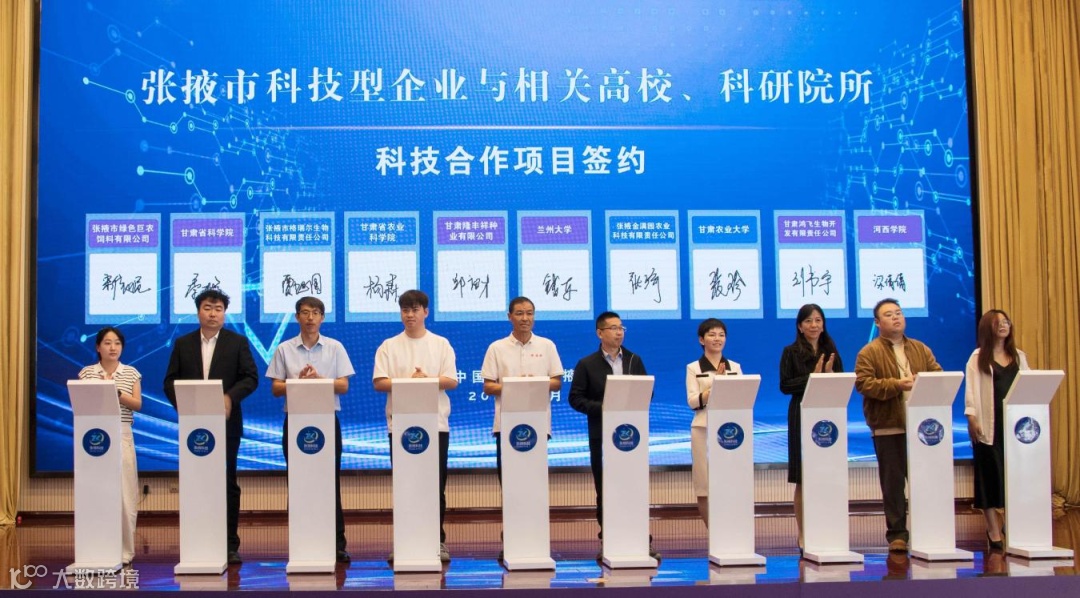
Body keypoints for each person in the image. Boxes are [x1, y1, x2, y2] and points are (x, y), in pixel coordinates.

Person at [164, 289, 259, 565]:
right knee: (196, 482)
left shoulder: (237, 342)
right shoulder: (183, 344)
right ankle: (196, 540)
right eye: (207, 308)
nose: (213, 313)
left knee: (226, 483)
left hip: (226, 425)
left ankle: (229, 545)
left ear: (224, 314)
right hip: (194, 428)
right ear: (198, 312)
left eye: (218, 309)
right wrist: (184, 405)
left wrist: (230, 397)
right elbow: (169, 382)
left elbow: (250, 378)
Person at [266, 296, 355, 563]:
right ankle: (300, 540)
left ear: (322, 318)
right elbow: (276, 388)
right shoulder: (284, 349)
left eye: (316, 313)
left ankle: (337, 543)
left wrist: (319, 380)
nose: (310, 318)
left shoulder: (335, 347)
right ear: (297, 317)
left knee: (330, 482)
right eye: (305, 312)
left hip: (327, 421)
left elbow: (343, 386)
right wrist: (298, 382)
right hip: (295, 422)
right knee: (298, 481)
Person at [372, 289, 458, 563]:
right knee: (405, 485)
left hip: (436, 425)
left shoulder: (441, 344)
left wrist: (426, 380)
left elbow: (451, 380)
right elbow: (379, 382)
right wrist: (409, 382)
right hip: (401, 428)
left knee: (435, 485)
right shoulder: (389, 346)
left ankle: (437, 541)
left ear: (426, 312)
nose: (410, 315)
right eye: (405, 310)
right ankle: (404, 541)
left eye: (415, 309)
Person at [854, 298, 941, 552]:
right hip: (888, 426)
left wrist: (925, 381)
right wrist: (897, 384)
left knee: (925, 480)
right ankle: (897, 535)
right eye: (889, 314)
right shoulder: (869, 352)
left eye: (899, 313)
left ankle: (929, 530)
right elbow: (864, 384)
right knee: (893, 485)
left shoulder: (920, 349)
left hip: (921, 429)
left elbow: (937, 375)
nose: (896, 318)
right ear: (877, 322)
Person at [569, 311, 658, 560]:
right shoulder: (587, 364)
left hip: (632, 438)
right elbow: (575, 398)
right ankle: (608, 539)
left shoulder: (634, 360)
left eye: (621, 328)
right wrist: (604, 407)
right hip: (602, 435)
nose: (619, 332)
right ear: (600, 333)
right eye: (613, 328)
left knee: (634, 486)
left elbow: (647, 392)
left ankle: (640, 539)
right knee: (606, 488)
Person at [778, 304, 842, 549]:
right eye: (808, 321)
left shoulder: (831, 350)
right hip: (801, 415)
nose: (814, 325)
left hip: (828, 417)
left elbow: (842, 382)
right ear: (799, 326)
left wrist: (830, 376)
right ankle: (804, 533)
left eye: (818, 320)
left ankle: (827, 530)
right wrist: (813, 377)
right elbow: (785, 386)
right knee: (803, 478)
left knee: (827, 476)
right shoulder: (790, 351)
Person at [964, 309, 1029, 550]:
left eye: (1006, 322)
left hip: (1016, 429)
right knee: (988, 480)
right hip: (987, 427)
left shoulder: (1019, 356)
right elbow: (971, 391)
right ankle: (993, 530)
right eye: (997, 322)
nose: (1003, 325)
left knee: (1015, 479)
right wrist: (971, 417)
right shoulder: (977, 357)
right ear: (987, 328)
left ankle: (1013, 525)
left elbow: (1030, 387)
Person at [79, 326, 142, 566]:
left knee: (126, 495)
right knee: (95, 492)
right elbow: (82, 403)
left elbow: (137, 404)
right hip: (93, 436)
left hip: (121, 433)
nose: (112, 347)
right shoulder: (87, 373)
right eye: (107, 343)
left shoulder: (131, 373)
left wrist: (115, 392)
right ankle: (95, 548)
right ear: (98, 347)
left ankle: (125, 551)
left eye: (117, 343)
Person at [481, 296, 563, 481]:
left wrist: (535, 384)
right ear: (509, 316)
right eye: (519, 313)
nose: (525, 318)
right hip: (506, 422)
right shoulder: (496, 348)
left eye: (529, 313)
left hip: (538, 421)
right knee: (509, 479)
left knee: (535, 479)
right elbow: (488, 386)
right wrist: (515, 386)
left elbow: (557, 383)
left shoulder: (547, 345)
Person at [685, 318, 742, 527]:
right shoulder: (693, 368)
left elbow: (742, 397)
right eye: (712, 335)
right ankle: (714, 532)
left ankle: (731, 529)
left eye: (721, 335)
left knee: (730, 482)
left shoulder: (735, 367)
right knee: (704, 485)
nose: (717, 339)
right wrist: (714, 387)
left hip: (730, 431)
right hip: (703, 429)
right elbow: (692, 401)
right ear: (702, 340)